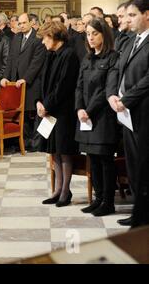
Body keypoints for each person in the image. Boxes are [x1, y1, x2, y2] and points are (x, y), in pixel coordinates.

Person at [106, 0, 149, 227]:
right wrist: (113, 94)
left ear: (147, 14)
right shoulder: (132, 40)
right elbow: (117, 69)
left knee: (143, 166)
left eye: (133, 15)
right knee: (133, 165)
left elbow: (147, 79)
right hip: (127, 114)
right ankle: (138, 213)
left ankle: (143, 217)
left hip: (142, 113)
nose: (128, 19)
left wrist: (127, 99)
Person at [75, 18, 119, 216]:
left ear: (104, 34)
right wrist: (79, 109)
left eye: (95, 33)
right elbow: (79, 86)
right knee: (92, 159)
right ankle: (98, 198)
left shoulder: (112, 57)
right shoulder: (87, 58)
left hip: (103, 117)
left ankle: (108, 202)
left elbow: (105, 90)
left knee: (105, 160)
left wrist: (88, 110)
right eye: (88, 34)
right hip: (86, 117)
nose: (91, 38)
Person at [37, 21, 80, 207]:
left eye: (45, 38)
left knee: (64, 151)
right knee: (54, 151)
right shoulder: (50, 54)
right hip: (49, 109)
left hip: (63, 111)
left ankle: (65, 192)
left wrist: (47, 105)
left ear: (54, 37)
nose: (43, 42)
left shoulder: (69, 55)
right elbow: (43, 81)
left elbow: (64, 86)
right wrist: (39, 102)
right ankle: (57, 190)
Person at [1, 13, 46, 150]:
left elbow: (36, 62)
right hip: (17, 83)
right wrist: (6, 77)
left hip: (32, 82)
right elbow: (11, 60)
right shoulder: (16, 37)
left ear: (31, 23)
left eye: (23, 23)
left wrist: (25, 78)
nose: (21, 26)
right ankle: (25, 142)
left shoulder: (38, 38)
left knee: (34, 114)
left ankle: (37, 143)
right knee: (23, 114)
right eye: (19, 23)